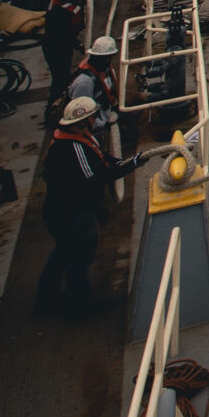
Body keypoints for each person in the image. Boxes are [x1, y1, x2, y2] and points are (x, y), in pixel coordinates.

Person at [36, 96, 138, 318]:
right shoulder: (74, 147)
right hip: (71, 215)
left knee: (62, 253)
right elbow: (97, 177)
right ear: (83, 121)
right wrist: (130, 166)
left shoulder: (72, 140)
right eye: (92, 117)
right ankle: (80, 306)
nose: (95, 121)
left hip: (59, 211)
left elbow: (100, 160)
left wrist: (118, 163)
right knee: (79, 257)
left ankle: (45, 299)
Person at [41, 0, 88, 99]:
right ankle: (54, 106)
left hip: (61, 43)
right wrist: (78, 45)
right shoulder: (59, 13)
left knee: (63, 76)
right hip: (56, 48)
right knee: (60, 79)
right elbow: (64, 35)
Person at [68, 36, 120, 142]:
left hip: (103, 120)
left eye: (110, 57)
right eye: (105, 58)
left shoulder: (103, 70)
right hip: (92, 132)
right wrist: (103, 124)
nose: (108, 61)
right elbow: (79, 116)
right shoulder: (84, 83)